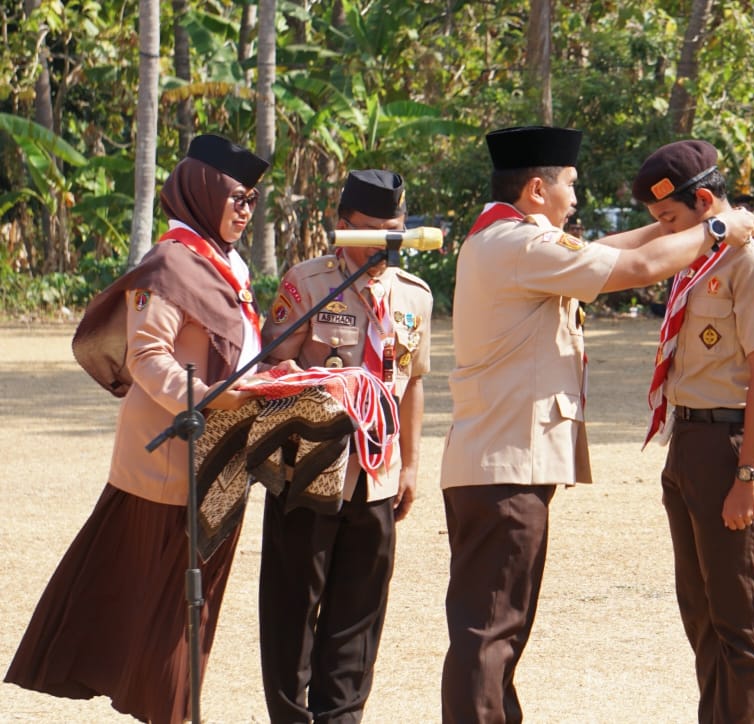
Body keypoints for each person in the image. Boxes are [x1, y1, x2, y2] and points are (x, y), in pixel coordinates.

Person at [438, 125, 754, 722]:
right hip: (505, 467)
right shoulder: (519, 246)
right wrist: (717, 229)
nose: (577, 197)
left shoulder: (508, 240)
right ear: (538, 189)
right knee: (491, 634)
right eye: (570, 185)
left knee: (494, 630)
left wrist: (684, 228)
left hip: (495, 460)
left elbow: (613, 248)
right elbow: (636, 266)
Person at [5, 134, 269, 723]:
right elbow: (148, 356)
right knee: (171, 612)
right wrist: (208, 398)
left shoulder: (227, 263)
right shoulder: (173, 261)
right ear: (204, 191)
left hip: (224, 457)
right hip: (171, 466)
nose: (246, 210)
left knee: (192, 619)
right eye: (237, 196)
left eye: (252, 199)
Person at [256, 169, 434, 721]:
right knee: (293, 607)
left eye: (395, 230)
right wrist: (325, 386)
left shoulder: (414, 296)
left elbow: (413, 381)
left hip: (376, 478)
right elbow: (270, 366)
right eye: (372, 230)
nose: (385, 243)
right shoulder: (309, 283)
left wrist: (410, 466)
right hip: (310, 472)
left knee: (359, 615)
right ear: (342, 227)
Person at [633, 139, 754, 723]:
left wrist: (748, 474)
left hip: (731, 446)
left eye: (671, 218)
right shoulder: (701, 258)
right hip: (691, 441)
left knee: (737, 613)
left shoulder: (751, 262)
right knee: (699, 608)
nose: (665, 231)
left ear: (705, 201)